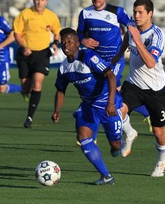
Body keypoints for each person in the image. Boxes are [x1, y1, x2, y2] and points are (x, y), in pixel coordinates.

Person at [51, 28, 124, 185]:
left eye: (69, 42)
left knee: (116, 146)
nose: (65, 45)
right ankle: (106, 176)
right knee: (83, 137)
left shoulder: (88, 56)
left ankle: (119, 143)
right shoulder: (64, 67)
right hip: (88, 105)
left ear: (77, 43)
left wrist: (110, 102)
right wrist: (56, 110)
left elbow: (110, 75)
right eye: (63, 42)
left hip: (106, 103)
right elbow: (60, 90)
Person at [77, 0, 151, 140]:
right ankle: (144, 114)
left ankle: (94, 134)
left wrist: (136, 43)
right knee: (112, 94)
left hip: (114, 60)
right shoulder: (85, 13)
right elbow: (78, 34)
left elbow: (132, 26)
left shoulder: (116, 11)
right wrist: (83, 40)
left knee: (107, 93)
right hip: (95, 61)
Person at [113, 0, 165, 177]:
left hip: (156, 89)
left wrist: (138, 40)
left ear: (150, 14)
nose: (136, 16)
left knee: (158, 132)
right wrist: (114, 60)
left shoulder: (157, 34)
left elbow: (150, 63)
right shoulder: (131, 27)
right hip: (134, 84)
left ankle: (161, 162)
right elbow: (126, 41)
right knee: (117, 110)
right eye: (135, 12)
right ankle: (130, 133)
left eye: (140, 13)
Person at [13, 0, 61, 128]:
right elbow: (17, 33)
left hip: (42, 54)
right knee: (25, 86)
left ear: (46, 2)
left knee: (37, 84)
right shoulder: (25, 14)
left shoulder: (51, 16)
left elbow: (57, 32)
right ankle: (25, 91)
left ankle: (29, 117)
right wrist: (24, 47)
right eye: (37, 0)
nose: (39, 2)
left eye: (42, 0)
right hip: (25, 53)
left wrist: (55, 43)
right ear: (33, 0)